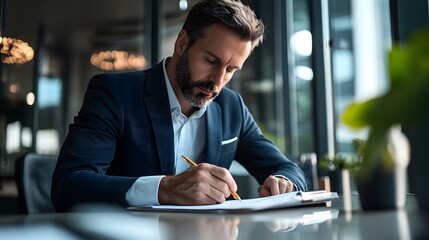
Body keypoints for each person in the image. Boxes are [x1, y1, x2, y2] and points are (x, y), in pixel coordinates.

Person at [51, 0, 307, 212]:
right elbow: (69, 185)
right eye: (210, 60)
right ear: (182, 43)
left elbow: (288, 169)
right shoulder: (114, 94)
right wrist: (165, 189)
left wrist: (284, 183)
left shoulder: (232, 107)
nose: (218, 82)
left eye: (231, 70)